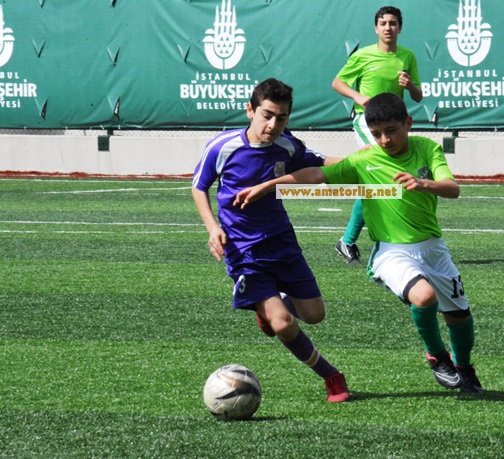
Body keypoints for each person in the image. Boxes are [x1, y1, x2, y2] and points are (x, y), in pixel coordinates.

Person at [235, 93, 482, 394]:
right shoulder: (365, 159)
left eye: (391, 131)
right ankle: (437, 356)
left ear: (408, 123)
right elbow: (316, 174)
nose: (385, 140)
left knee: (459, 317)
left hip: (434, 249)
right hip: (392, 252)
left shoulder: (427, 148)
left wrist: (423, 183)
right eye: (376, 134)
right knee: (424, 297)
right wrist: (269, 185)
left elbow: (452, 188)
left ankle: (465, 369)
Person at [191, 78, 350, 403]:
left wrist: (368, 162)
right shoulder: (222, 146)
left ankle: (270, 309)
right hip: (243, 250)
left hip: (282, 242)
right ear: (250, 111)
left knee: (315, 315)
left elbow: (320, 164)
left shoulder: (288, 145)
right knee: (283, 323)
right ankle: (331, 375)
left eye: (281, 118)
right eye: (267, 115)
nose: (272, 125)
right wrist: (212, 228)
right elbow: (199, 186)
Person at [332, 5, 423, 264]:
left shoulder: (407, 56)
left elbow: (418, 96)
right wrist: (359, 97)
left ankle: (351, 240)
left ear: (400, 28)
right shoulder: (363, 55)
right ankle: (352, 240)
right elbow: (337, 82)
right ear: (375, 28)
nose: (388, 27)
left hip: (393, 125)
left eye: (392, 23)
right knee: (377, 178)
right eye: (383, 23)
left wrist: (410, 86)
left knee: (380, 181)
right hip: (367, 122)